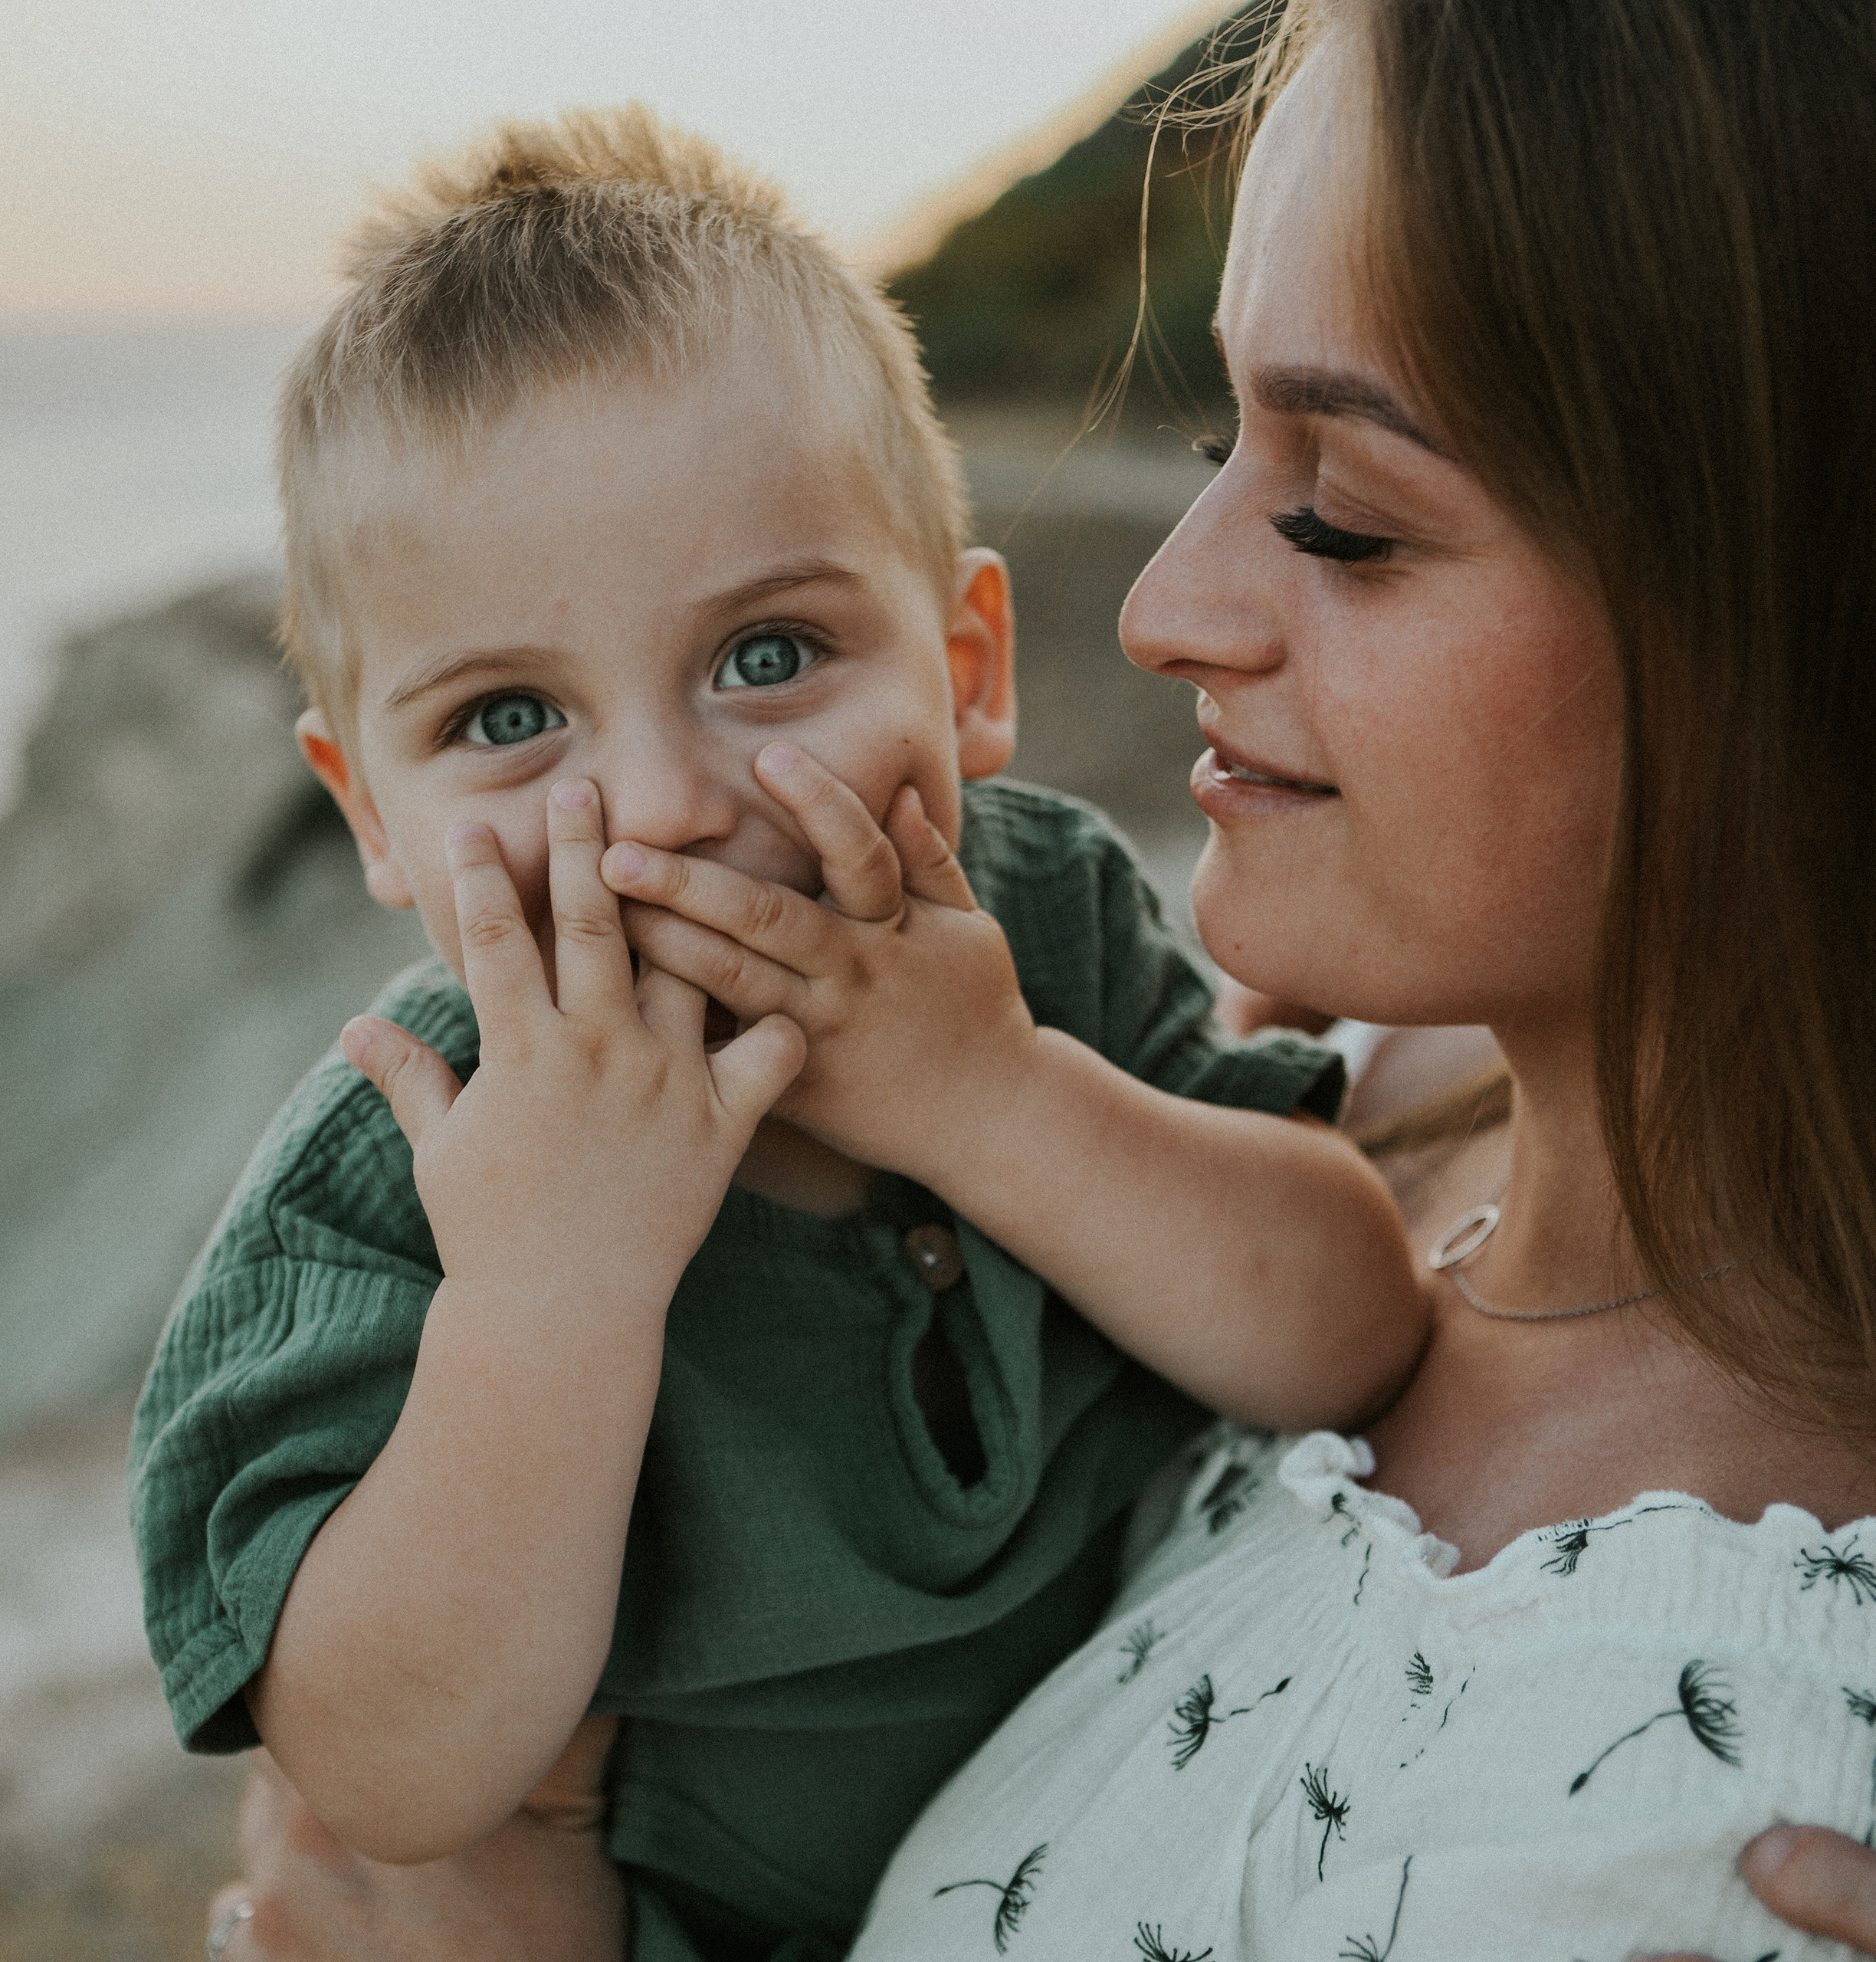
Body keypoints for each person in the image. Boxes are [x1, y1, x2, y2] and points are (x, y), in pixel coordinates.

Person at [200, 0, 1876, 1954]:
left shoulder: (1688, 1768)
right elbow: (363, 1776)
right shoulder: (1369, 1056)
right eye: (1211, 433)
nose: (1159, 606)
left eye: (1344, 515)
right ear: (364, 805)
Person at [136, 106, 1434, 1962]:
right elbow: (388, 1783)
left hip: (1148, 1846)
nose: (660, 803)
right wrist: (544, 1296)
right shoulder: (410, 1160)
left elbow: (1350, 1328)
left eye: (765, 656)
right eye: (509, 714)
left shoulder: (1037, 924)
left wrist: (994, 1100)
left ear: (966, 671)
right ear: (368, 815)